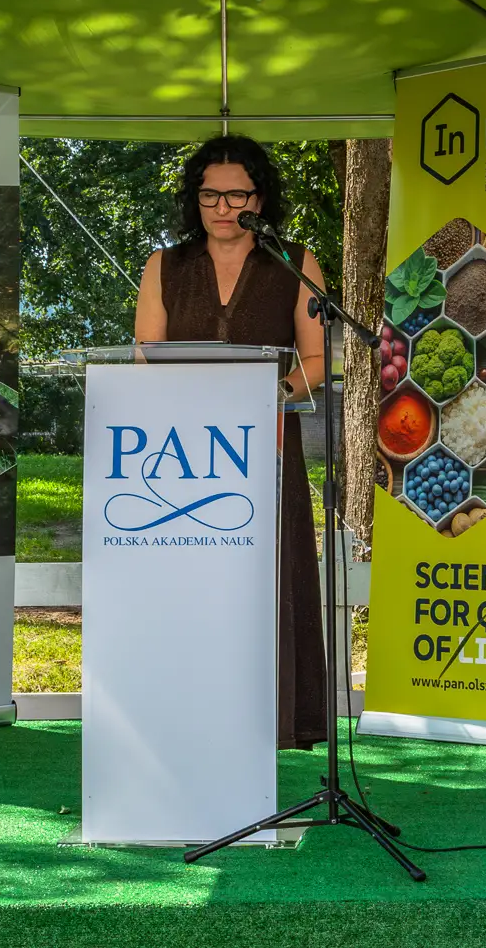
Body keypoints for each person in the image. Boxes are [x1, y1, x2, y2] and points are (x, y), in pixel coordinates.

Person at [134, 134, 328, 751]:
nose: (222, 207)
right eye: (209, 195)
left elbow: (317, 359)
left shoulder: (295, 263)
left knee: (268, 576)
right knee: (193, 578)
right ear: (194, 199)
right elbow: (144, 357)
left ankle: (276, 717)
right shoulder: (164, 265)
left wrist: (274, 394)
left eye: (236, 195)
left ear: (259, 199)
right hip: (181, 453)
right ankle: (187, 710)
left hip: (267, 445)